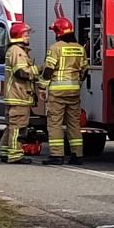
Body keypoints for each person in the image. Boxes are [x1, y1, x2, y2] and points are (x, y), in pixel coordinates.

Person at [40, 17, 88, 166]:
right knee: (74, 124)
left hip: (57, 93)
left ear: (58, 32)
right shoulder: (80, 48)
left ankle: (57, 155)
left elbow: (48, 70)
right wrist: (78, 83)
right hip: (74, 93)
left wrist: (42, 87)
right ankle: (77, 155)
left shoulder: (55, 48)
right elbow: (85, 70)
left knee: (55, 123)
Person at [0, 22, 39, 164]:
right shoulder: (17, 51)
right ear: (18, 36)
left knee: (11, 126)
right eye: (26, 34)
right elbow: (21, 72)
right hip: (19, 96)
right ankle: (15, 155)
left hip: (15, 96)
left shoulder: (15, 50)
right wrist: (39, 69)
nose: (28, 37)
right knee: (18, 127)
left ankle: (6, 152)